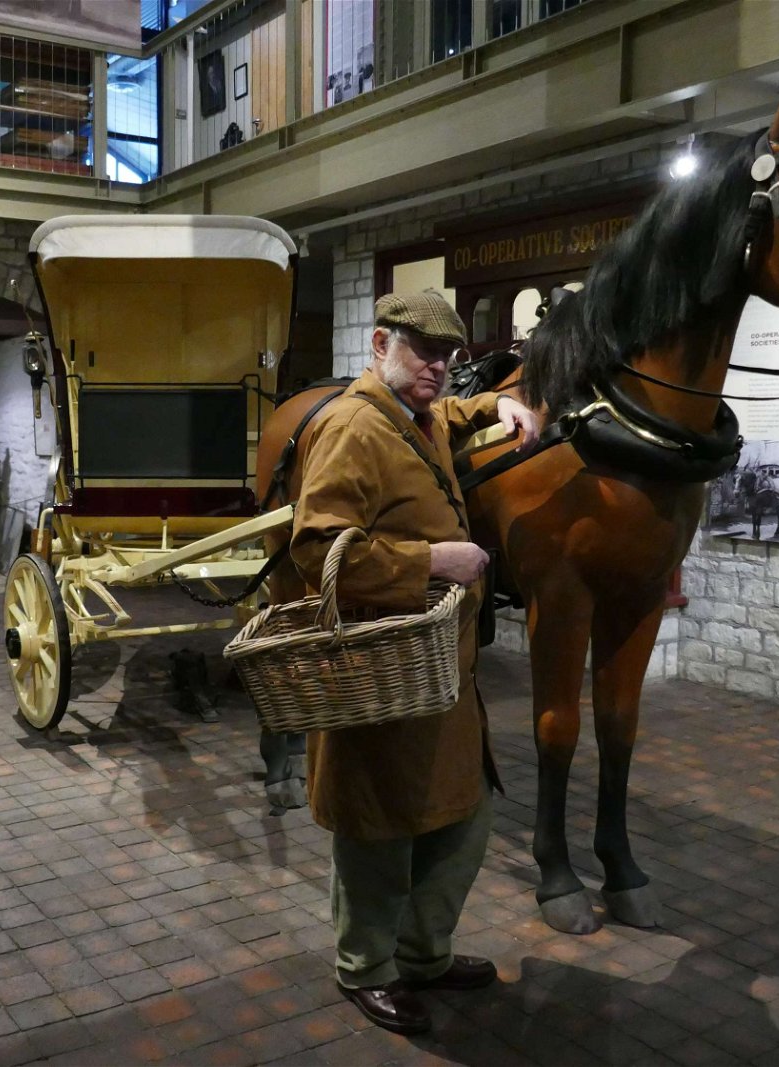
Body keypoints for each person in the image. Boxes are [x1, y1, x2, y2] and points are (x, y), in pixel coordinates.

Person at [283, 289, 542, 1035]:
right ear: (378, 343)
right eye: (420, 349)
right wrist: (433, 557)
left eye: (447, 355)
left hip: (440, 669)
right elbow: (315, 550)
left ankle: (424, 954)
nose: (435, 365)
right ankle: (365, 966)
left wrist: (496, 408)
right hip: (381, 666)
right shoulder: (351, 429)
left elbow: (446, 414)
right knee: (378, 826)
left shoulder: (416, 414)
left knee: (461, 817)